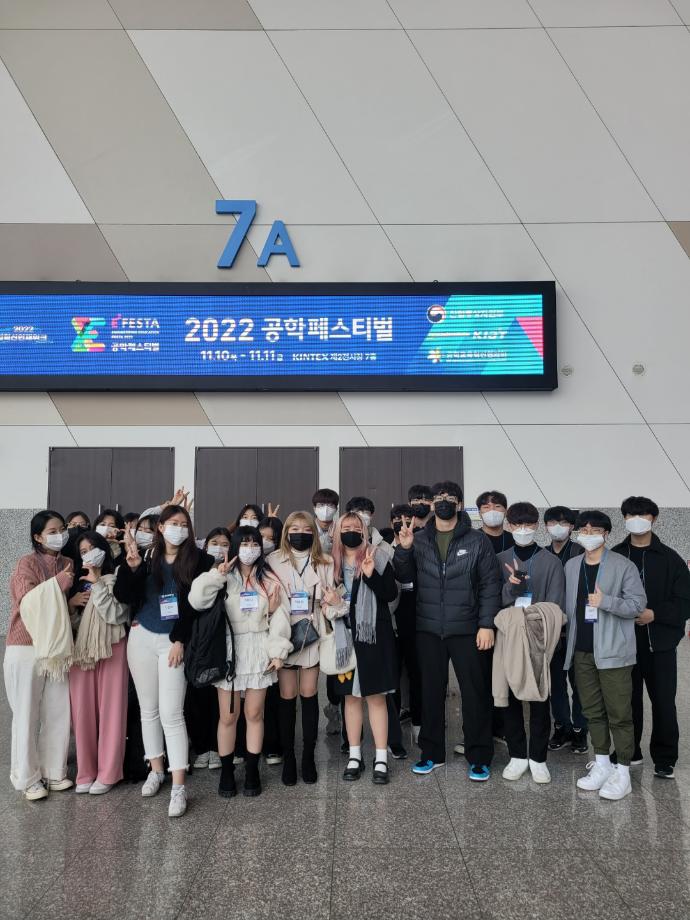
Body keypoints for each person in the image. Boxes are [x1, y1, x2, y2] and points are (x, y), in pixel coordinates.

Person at [395, 482, 502, 781]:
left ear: (459, 504)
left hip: (468, 628)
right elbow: (404, 578)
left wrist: (486, 624)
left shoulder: (478, 540)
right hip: (429, 628)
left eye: (449, 498)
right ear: (432, 505)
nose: (443, 502)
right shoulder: (419, 539)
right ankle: (431, 753)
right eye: (438, 498)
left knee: (475, 694)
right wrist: (404, 550)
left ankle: (479, 756)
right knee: (430, 693)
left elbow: (490, 585)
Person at [114, 505, 214, 817]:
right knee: (149, 710)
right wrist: (131, 569)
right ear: (160, 526)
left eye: (184, 524)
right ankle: (156, 769)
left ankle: (179, 786)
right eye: (173, 523)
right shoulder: (145, 556)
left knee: (172, 713)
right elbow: (125, 596)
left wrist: (179, 639)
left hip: (174, 642)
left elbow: (195, 606)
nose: (178, 529)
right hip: (142, 636)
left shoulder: (199, 560)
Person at [189, 527, 292, 798]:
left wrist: (278, 652)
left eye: (254, 543)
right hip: (230, 650)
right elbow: (196, 600)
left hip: (258, 648)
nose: (249, 548)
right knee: (228, 716)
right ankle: (226, 771)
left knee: (255, 714)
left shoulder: (268, 578)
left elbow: (280, 617)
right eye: (244, 543)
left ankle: (252, 770)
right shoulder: (222, 575)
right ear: (234, 546)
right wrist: (217, 575)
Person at [563, 511, 646, 801]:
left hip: (614, 654)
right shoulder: (572, 566)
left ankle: (622, 772)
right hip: (582, 651)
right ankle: (601, 764)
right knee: (592, 711)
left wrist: (606, 602)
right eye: (584, 529)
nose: (589, 534)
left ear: (606, 534)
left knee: (619, 714)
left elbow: (637, 605)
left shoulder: (623, 566)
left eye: (595, 529)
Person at [612, 497, 690, 778]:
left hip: (661, 644)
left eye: (643, 514)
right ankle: (629, 751)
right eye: (631, 515)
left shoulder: (670, 559)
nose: (637, 519)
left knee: (664, 701)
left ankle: (665, 757)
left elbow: (685, 601)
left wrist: (654, 614)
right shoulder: (616, 555)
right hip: (624, 643)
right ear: (624, 519)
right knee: (626, 701)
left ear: (654, 519)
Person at [4, 511, 74, 800]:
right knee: (26, 712)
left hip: (56, 647)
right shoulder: (27, 563)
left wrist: (70, 597)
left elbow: (59, 606)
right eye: (52, 531)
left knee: (58, 709)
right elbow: (27, 601)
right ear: (37, 536)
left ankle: (53, 771)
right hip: (26, 646)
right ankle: (27, 778)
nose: (60, 535)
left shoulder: (67, 562)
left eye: (62, 529)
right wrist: (58, 583)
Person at [496, 502, 565, 784]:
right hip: (509, 639)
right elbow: (496, 601)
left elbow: (556, 607)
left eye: (528, 524)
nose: (522, 529)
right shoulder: (500, 559)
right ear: (509, 526)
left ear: (536, 526)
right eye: (517, 524)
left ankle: (538, 758)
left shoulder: (551, 562)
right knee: (510, 697)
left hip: (540, 638)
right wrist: (512, 586)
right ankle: (516, 755)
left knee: (539, 699)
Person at [329, 512, 399, 784]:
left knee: (376, 698)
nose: (350, 531)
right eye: (345, 527)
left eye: (356, 527)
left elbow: (391, 594)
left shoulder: (377, 556)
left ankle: (380, 758)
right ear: (337, 532)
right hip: (344, 638)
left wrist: (370, 576)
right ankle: (355, 755)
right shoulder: (331, 563)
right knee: (350, 698)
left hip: (373, 637)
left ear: (364, 531)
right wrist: (334, 603)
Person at [267, 511, 337, 786]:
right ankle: (289, 757)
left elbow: (330, 598)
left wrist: (332, 602)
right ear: (286, 532)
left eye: (306, 529)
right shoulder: (273, 560)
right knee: (287, 697)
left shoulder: (325, 561)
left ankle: (308, 756)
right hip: (284, 632)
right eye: (294, 528)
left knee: (309, 695)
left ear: (314, 533)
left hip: (312, 632)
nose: (300, 533)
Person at [69, 531, 130, 794]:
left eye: (92, 548)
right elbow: (71, 624)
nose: (88, 554)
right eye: (83, 551)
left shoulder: (117, 577)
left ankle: (108, 773)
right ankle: (85, 772)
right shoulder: (75, 582)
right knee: (82, 712)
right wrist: (71, 605)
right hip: (81, 652)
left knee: (112, 710)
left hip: (113, 646)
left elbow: (117, 615)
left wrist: (98, 585)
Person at [185, 527, 231, 772]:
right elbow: (195, 602)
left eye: (225, 544)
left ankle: (217, 747)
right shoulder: (196, 570)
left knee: (220, 699)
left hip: (225, 642)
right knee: (198, 695)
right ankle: (202, 747)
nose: (219, 548)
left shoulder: (236, 573)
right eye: (214, 542)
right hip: (200, 641)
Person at [544, 506, 587, 755]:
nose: (557, 527)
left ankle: (581, 730)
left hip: (577, 630)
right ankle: (561, 727)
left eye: (563, 523)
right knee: (556, 684)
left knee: (580, 683)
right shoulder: (543, 554)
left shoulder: (581, 552)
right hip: (552, 631)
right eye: (552, 522)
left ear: (572, 527)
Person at [390, 503, 421, 745]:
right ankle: (394, 726)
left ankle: (419, 721)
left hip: (416, 619)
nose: (403, 523)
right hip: (391, 621)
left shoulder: (421, 546)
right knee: (392, 674)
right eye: (397, 520)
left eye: (408, 518)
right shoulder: (382, 548)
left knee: (416, 672)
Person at [477, 490, 514, 555]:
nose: (492, 510)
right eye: (486, 507)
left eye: (497, 506)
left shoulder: (514, 539)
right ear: (480, 513)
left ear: (505, 512)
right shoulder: (472, 539)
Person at [313, 488, 339, 554]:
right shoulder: (308, 529)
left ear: (336, 509)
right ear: (314, 508)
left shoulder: (341, 529)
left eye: (330, 505)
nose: (326, 509)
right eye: (321, 505)